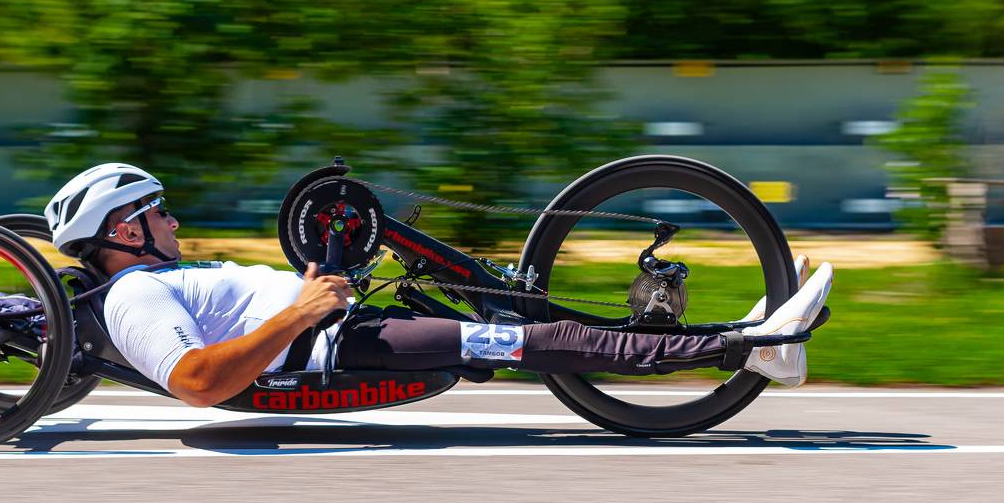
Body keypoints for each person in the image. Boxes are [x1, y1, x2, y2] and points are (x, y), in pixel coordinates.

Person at [46, 163, 833, 408]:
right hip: (337, 347)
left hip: (337, 321)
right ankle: (756, 348)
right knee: (531, 341)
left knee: (510, 307)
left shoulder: (166, 275)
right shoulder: (133, 296)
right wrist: (303, 311)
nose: (173, 219)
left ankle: (726, 336)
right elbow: (196, 382)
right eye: (156, 211)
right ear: (123, 232)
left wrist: (320, 280)